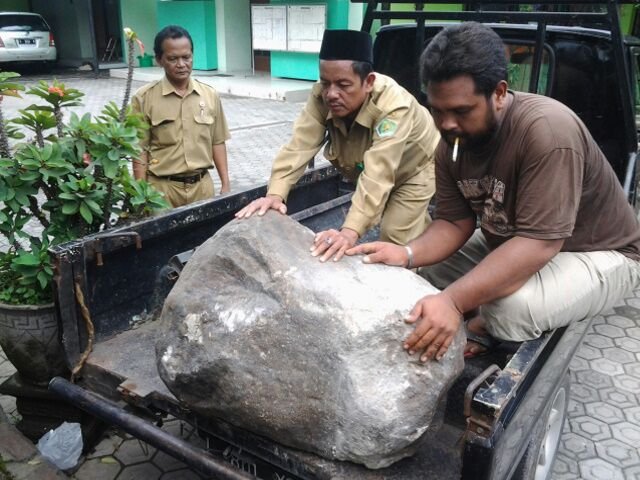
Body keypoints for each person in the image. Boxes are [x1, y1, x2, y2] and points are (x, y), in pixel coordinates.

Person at [347, 22, 640, 362]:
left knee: (507, 308)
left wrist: (455, 301)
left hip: (599, 253)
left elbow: (539, 243)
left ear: (499, 93)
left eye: (461, 111)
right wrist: (407, 253)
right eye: (437, 110)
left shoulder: (546, 132)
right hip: (519, 241)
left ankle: (484, 325)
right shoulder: (453, 143)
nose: (446, 124)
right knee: (428, 270)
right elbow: (454, 222)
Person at [235, 29, 440, 262]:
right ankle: (430, 243)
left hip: (413, 169)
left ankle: (422, 271)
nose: (332, 94)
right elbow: (299, 145)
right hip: (368, 168)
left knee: (394, 237)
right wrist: (275, 194)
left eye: (343, 85)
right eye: (325, 83)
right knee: (401, 222)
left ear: (369, 82)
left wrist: (349, 232)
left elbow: (379, 173)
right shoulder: (321, 95)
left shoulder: (393, 107)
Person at [132, 25, 230, 208]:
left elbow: (218, 141)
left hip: (202, 188)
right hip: (161, 191)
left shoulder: (210, 95)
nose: (181, 64)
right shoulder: (144, 98)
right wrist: (141, 195)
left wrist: (225, 184)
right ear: (160, 60)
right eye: (172, 59)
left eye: (186, 57)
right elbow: (139, 150)